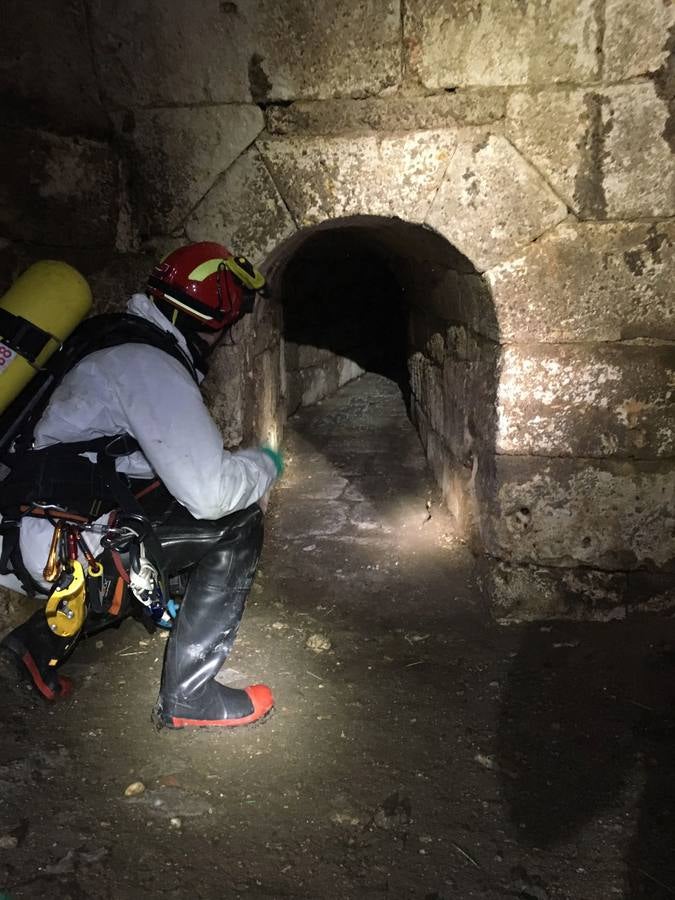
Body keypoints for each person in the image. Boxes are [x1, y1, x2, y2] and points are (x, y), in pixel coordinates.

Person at [0, 242, 282, 729]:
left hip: (22, 527)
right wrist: (266, 463)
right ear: (210, 319)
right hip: (44, 541)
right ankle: (190, 695)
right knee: (236, 520)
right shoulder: (148, 367)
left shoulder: (112, 342)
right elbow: (212, 494)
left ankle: (33, 646)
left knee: (166, 503)